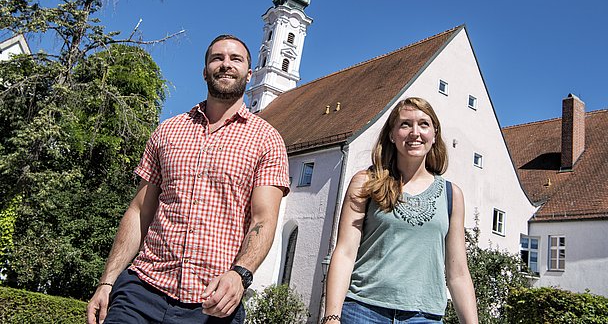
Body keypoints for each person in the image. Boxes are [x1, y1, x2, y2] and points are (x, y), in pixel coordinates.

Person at [86, 35, 290, 324]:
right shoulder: (168, 131)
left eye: (236, 59)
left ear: (250, 73)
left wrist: (241, 274)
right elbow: (139, 210)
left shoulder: (267, 140)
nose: (226, 65)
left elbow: (263, 221)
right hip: (141, 290)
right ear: (205, 70)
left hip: (211, 303)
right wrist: (107, 282)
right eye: (217, 58)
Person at [322, 97, 478, 324]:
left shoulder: (452, 195)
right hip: (363, 311)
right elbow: (345, 252)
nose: (415, 132)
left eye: (424, 124)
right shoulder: (366, 183)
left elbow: (458, 273)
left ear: (434, 135)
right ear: (392, 135)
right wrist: (332, 317)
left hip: (424, 316)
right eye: (405, 124)